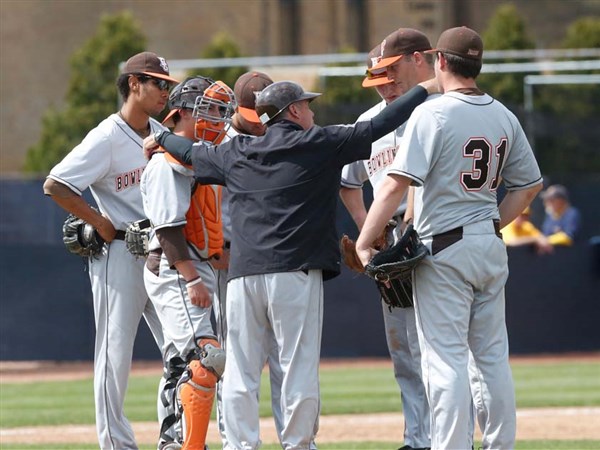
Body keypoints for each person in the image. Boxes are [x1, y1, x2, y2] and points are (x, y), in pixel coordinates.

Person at [142, 77, 438, 449]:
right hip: (294, 273)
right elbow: (381, 124)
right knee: (297, 368)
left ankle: (241, 446)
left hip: (243, 277)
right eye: (307, 105)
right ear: (294, 110)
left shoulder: (239, 150)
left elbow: (189, 153)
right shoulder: (319, 143)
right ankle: (297, 445)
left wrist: (161, 139)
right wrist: (425, 88)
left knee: (240, 371)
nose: (312, 111)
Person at [355, 27, 543, 450]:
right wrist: (493, 226)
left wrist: (366, 242)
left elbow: (394, 184)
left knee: (445, 361)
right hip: (489, 245)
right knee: (492, 359)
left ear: (439, 61)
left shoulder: (432, 114)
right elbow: (529, 186)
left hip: (443, 248)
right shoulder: (503, 114)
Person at [43, 51, 178, 450]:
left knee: (179, 347)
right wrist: (99, 221)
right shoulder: (107, 135)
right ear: (134, 83)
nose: (165, 91)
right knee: (114, 354)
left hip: (161, 251)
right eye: (158, 83)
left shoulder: (160, 131)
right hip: (119, 252)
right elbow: (56, 183)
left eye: (168, 84)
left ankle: (174, 434)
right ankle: (116, 444)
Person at [339, 30, 434, 450]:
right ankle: (417, 439)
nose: (386, 83)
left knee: (440, 348)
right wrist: (369, 230)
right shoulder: (367, 123)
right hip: (389, 241)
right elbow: (347, 183)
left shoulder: (433, 111)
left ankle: (451, 439)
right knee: (404, 353)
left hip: (428, 234)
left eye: (391, 73)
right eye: (378, 76)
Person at [141, 76, 234, 449]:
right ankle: (187, 445)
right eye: (207, 111)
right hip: (178, 270)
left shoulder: (196, 157)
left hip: (197, 267)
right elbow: (168, 229)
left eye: (217, 111)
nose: (215, 118)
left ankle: (173, 440)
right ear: (180, 113)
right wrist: (192, 278)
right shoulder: (166, 164)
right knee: (206, 358)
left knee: (182, 363)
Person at [214, 70, 299, 449]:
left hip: (274, 257)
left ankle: (293, 441)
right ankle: (236, 441)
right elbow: (209, 205)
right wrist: (217, 249)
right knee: (237, 361)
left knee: (283, 361)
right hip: (232, 260)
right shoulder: (222, 144)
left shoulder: (276, 135)